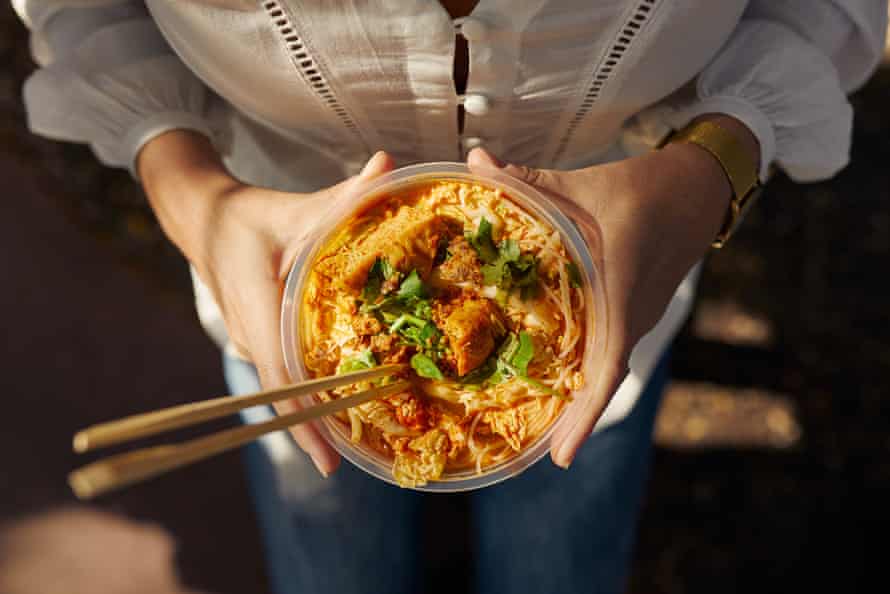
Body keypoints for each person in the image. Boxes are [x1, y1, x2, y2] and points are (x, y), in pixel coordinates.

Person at [13, 1, 886, 592]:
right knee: (330, 549)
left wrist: (712, 166)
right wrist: (195, 196)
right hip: (278, 294)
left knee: (560, 557)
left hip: (619, 299)